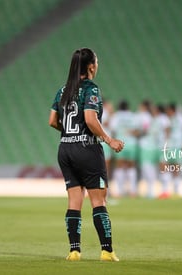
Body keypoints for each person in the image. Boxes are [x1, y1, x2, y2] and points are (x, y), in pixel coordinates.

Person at [49, 48, 124, 261]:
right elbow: (91, 120)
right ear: (91, 66)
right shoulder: (91, 89)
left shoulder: (63, 90)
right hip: (86, 148)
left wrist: (69, 133)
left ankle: (74, 251)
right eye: (97, 62)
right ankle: (107, 251)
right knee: (98, 200)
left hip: (65, 148)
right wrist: (109, 140)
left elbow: (52, 121)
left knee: (74, 200)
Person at [159, 103, 182, 199]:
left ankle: (176, 192)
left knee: (176, 168)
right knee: (164, 165)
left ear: (172, 110)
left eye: (168, 110)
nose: (167, 112)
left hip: (178, 145)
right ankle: (165, 191)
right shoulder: (167, 119)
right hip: (169, 145)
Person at [109, 100, 138, 197]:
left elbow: (112, 129)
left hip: (119, 143)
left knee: (119, 166)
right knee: (131, 166)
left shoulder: (116, 116)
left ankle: (120, 191)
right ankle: (133, 191)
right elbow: (136, 130)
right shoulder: (132, 116)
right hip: (131, 143)